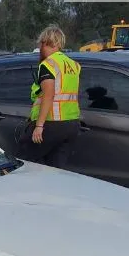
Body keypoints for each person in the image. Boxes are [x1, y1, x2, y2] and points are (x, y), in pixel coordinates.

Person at [19, 25, 81, 168]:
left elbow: (49, 94)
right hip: (71, 124)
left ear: (45, 42)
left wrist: (39, 126)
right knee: (55, 169)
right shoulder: (73, 65)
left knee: (23, 161)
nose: (40, 48)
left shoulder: (49, 64)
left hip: (52, 122)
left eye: (40, 44)